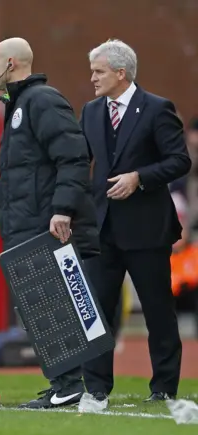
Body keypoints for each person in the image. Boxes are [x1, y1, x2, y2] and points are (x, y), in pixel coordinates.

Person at [0, 37, 100, 409]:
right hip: (26, 224)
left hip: (45, 225)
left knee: (51, 306)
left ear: (11, 63)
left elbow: (75, 157)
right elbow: (19, 178)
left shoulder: (40, 101)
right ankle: (63, 384)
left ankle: (68, 386)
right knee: (36, 308)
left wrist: (62, 209)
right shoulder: (19, 106)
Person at [80, 39, 190, 403]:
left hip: (147, 230)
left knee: (158, 313)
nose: (92, 78)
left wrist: (138, 177)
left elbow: (179, 161)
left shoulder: (158, 109)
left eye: (98, 71)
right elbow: (83, 165)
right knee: (98, 313)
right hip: (103, 230)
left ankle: (163, 388)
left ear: (120, 73)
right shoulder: (91, 112)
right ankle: (96, 389)